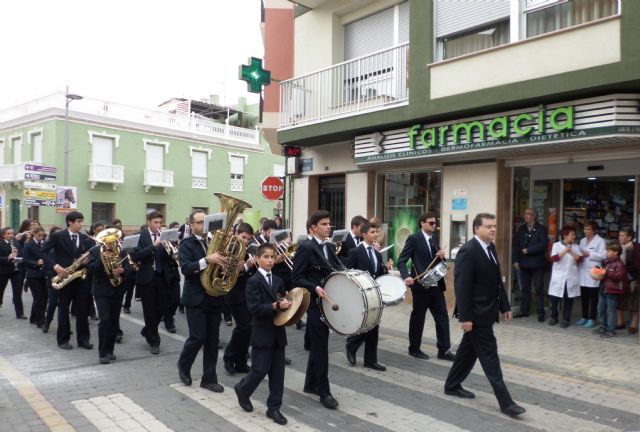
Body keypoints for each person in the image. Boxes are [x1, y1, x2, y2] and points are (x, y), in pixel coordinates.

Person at [444, 213, 525, 417]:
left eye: (495, 226)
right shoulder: (468, 251)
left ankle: (452, 385)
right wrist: (465, 317)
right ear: (476, 229)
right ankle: (506, 402)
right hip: (476, 315)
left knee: (468, 352)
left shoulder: (490, 248)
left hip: (487, 311)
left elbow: (497, 280)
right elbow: (462, 286)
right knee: (490, 357)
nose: (493, 229)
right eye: (488, 226)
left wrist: (505, 306)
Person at [234, 243, 291, 425]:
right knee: (259, 369)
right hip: (261, 332)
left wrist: (289, 305)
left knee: (278, 373)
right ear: (257, 260)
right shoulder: (253, 282)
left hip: (278, 333)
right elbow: (254, 308)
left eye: (272, 257)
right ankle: (243, 389)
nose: (270, 260)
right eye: (265, 257)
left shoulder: (279, 280)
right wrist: (275, 306)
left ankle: (274, 408)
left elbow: (283, 300)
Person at [292, 210, 341, 409]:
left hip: (327, 301)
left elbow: (337, 268)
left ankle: (311, 384)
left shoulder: (329, 246)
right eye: (324, 224)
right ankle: (324, 391)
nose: (329, 227)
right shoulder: (306, 247)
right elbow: (295, 277)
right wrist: (314, 287)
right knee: (321, 347)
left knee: (320, 344)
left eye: (329, 223)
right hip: (315, 303)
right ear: (313, 228)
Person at [177, 209, 226, 393]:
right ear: (191, 225)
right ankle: (183, 365)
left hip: (214, 297)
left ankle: (209, 378)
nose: (202, 226)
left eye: (204, 222)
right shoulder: (186, 244)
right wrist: (207, 259)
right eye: (198, 222)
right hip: (195, 297)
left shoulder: (215, 242)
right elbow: (186, 269)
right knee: (198, 337)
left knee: (212, 340)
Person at [397, 212, 453, 361]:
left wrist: (442, 257)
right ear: (422, 223)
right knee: (418, 318)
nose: (434, 225)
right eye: (431, 223)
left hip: (436, 286)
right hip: (421, 286)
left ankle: (444, 350)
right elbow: (401, 261)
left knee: (442, 318)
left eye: (435, 223)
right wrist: (406, 276)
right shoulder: (414, 239)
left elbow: (439, 263)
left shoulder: (434, 240)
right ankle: (414, 348)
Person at [41, 211, 93, 350]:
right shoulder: (58, 235)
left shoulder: (84, 237)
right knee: (63, 309)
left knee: (82, 310)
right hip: (64, 277)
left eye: (82, 222)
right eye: (78, 222)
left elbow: (89, 255)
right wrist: (55, 266)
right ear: (70, 222)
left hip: (80, 277)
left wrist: (88, 260)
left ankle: (83, 340)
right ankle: (63, 340)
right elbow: (42, 252)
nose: (81, 225)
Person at [345, 222, 390, 371]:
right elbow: (347, 272)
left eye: (376, 232)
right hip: (360, 294)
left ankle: (370, 360)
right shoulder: (355, 252)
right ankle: (352, 345)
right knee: (365, 324)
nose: (376, 234)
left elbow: (379, 273)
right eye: (372, 232)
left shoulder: (376, 252)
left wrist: (386, 268)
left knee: (374, 326)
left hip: (375, 294)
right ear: (364, 235)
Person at [86, 228, 127, 363]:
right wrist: (102, 258)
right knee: (105, 320)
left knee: (114, 321)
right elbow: (91, 269)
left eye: (114, 240)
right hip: (101, 290)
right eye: (109, 241)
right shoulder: (95, 251)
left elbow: (131, 268)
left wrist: (123, 270)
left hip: (118, 289)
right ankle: (102, 353)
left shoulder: (122, 250)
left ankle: (110, 350)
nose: (111, 243)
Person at [223, 223, 257, 375]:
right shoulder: (229, 249)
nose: (245, 241)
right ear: (237, 234)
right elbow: (230, 273)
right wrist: (247, 266)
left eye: (248, 239)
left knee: (248, 329)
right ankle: (229, 358)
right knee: (243, 327)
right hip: (234, 294)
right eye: (243, 237)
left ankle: (241, 362)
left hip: (247, 294)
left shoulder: (247, 249)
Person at [131, 211, 166, 354]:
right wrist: (153, 246)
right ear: (148, 222)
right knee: (149, 311)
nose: (158, 225)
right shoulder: (139, 236)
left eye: (160, 223)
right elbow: (135, 255)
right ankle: (154, 341)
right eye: (155, 222)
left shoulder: (164, 236)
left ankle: (147, 330)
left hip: (161, 276)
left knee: (163, 308)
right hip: (146, 278)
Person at [512, 208, 548, 321]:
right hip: (523, 263)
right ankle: (524, 311)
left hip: (537, 263)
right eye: (525, 213)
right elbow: (516, 246)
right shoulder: (521, 229)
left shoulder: (541, 229)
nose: (525, 216)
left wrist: (529, 250)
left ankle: (540, 312)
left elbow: (543, 244)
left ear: (534, 216)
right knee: (525, 289)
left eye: (528, 214)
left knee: (539, 289)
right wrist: (515, 260)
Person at [548, 225, 583, 328]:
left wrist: (570, 250)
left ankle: (566, 319)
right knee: (555, 298)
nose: (574, 236)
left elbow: (580, 259)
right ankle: (554, 317)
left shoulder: (576, 246)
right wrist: (565, 250)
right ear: (565, 235)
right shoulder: (556, 245)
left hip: (571, 277)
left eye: (574, 234)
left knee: (568, 299)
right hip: (558, 276)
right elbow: (554, 258)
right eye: (572, 234)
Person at [577, 221, 606, 328]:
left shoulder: (600, 241)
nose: (586, 231)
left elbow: (604, 255)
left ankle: (592, 318)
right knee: (584, 296)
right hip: (583, 270)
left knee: (593, 297)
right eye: (585, 229)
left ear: (594, 230)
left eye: (588, 229)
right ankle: (584, 316)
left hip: (594, 272)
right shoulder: (582, 240)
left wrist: (590, 253)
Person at [595, 242, 627, 338]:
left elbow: (619, 276)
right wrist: (598, 272)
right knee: (600, 309)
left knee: (611, 311)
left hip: (612, 291)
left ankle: (611, 330)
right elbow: (603, 275)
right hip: (603, 289)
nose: (606, 252)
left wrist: (607, 271)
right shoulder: (606, 262)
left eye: (608, 251)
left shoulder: (620, 264)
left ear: (616, 252)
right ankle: (603, 326)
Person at [22, 227, 48, 327]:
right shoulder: (29, 244)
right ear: (34, 234)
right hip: (32, 275)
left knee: (44, 297)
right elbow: (25, 260)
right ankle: (40, 321)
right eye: (39, 236)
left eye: (43, 236)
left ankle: (33, 318)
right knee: (39, 297)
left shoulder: (43, 243)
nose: (41, 238)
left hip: (42, 274)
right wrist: (36, 263)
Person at [0, 227, 26, 319]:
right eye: (8, 233)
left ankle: (20, 313)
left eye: (12, 233)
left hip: (16, 271)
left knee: (17, 292)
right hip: (3, 271)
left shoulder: (16, 243)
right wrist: (8, 257)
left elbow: (22, 255)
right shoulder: (1, 244)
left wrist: (19, 257)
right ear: (3, 235)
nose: (11, 235)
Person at [617, 227, 639, 334]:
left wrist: (634, 279)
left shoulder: (636, 248)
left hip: (633, 278)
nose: (619, 237)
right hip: (619, 278)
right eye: (619, 235)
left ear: (629, 237)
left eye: (622, 235)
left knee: (634, 301)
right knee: (620, 300)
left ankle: (634, 324)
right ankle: (620, 322)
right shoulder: (617, 247)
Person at [42, 226, 62, 334]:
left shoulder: (66, 248)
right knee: (53, 303)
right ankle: (47, 323)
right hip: (53, 278)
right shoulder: (50, 250)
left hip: (65, 278)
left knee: (64, 304)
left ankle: (63, 325)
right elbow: (47, 265)